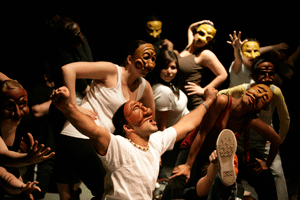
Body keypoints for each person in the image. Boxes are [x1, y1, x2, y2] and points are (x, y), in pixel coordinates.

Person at [50, 85, 217, 200]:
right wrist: (67, 107)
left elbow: (186, 124)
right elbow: (93, 130)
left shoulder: (155, 142)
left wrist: (208, 101)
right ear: (127, 127)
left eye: (144, 107)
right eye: (137, 109)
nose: (148, 111)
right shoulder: (119, 146)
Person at [54, 40, 156, 200]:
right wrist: (73, 105)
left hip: (100, 144)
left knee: (75, 193)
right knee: (110, 190)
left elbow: (150, 119)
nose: (149, 64)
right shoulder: (112, 71)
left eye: (153, 59)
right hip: (77, 136)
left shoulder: (145, 87)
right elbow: (68, 69)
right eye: (145, 57)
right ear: (130, 59)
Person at [161, 84, 280, 200]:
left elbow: (276, 139)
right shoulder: (222, 101)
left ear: (263, 108)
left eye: (263, 99)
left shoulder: (251, 120)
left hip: (217, 154)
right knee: (177, 182)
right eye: (259, 91)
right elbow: (202, 133)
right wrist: (188, 165)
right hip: (196, 147)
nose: (258, 97)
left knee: (264, 175)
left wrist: (267, 164)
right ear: (247, 90)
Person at [218, 56, 290, 199]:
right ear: (254, 76)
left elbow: (285, 119)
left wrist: (278, 141)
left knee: (277, 172)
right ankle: (236, 193)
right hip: (242, 137)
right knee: (230, 165)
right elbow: (222, 94)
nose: (267, 77)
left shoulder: (275, 92)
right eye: (263, 73)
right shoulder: (245, 90)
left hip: (264, 140)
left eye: (271, 73)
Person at [0, 79, 55, 199]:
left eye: (22, 104)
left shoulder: (24, 121)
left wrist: (22, 187)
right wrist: (27, 159)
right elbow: (3, 158)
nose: (18, 113)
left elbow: (10, 174)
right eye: (9, 106)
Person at [23, 64, 57, 199]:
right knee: (37, 190)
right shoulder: (39, 89)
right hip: (42, 142)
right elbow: (36, 111)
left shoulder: (60, 89)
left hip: (56, 141)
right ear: (46, 75)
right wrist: (55, 100)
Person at [178, 20, 228, 111]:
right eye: (201, 33)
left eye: (208, 38)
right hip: (179, 99)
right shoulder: (189, 46)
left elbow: (223, 75)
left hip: (192, 101)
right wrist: (201, 22)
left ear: (210, 41)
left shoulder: (205, 54)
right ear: (195, 33)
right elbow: (190, 28)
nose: (202, 38)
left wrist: (203, 90)